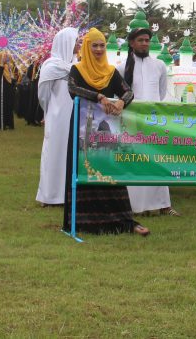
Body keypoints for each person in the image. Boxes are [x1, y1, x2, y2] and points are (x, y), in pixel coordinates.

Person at [63, 28, 148, 236]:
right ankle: (82, 222)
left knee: (110, 171)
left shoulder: (110, 72)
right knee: (83, 170)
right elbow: (73, 89)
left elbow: (128, 92)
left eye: (102, 45)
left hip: (107, 132)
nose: (99, 49)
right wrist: (99, 97)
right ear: (87, 47)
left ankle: (124, 221)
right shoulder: (77, 69)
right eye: (95, 45)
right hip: (83, 130)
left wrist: (121, 102)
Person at [123, 25, 176, 217]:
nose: (144, 44)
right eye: (140, 40)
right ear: (132, 43)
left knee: (156, 160)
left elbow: (160, 93)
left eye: (147, 40)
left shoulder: (159, 65)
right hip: (132, 121)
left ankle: (163, 205)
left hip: (153, 121)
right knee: (134, 160)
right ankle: (135, 206)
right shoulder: (122, 67)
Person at [36, 27, 78, 206]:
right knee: (54, 152)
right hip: (56, 116)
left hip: (75, 114)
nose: (79, 45)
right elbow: (43, 95)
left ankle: (69, 194)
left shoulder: (78, 65)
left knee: (72, 152)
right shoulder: (51, 66)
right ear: (66, 43)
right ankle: (50, 195)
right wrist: (50, 111)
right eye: (76, 41)